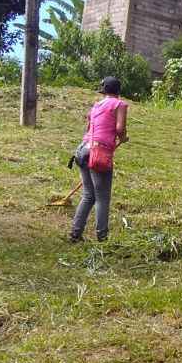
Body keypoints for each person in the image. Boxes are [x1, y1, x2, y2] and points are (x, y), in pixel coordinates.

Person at [70, 76, 128, 243]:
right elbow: (119, 128)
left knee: (89, 195)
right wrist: (123, 138)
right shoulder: (119, 104)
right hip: (99, 154)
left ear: (104, 91)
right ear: (118, 91)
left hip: (82, 149)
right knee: (102, 197)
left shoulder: (96, 105)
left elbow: (90, 127)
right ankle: (102, 237)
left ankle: (75, 233)